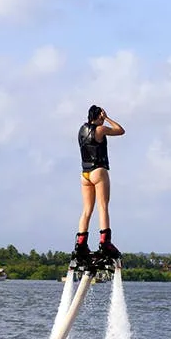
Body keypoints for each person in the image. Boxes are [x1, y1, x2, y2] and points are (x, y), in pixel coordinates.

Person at [72, 105, 125, 264]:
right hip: (98, 171)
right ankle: (105, 243)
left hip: (85, 174)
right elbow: (120, 130)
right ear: (99, 116)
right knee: (103, 206)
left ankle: (80, 244)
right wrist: (107, 118)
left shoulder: (81, 129)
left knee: (87, 209)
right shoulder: (100, 130)